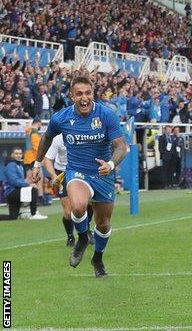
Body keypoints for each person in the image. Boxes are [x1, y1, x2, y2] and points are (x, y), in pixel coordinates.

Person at [32, 76, 128, 278]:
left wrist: (110, 164)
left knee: (103, 224)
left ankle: (97, 259)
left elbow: (121, 146)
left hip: (102, 175)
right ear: (71, 96)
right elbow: (46, 139)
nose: (84, 98)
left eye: (88, 93)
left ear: (92, 94)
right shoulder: (61, 118)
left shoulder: (106, 115)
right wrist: (37, 165)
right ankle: (83, 237)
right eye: (79, 94)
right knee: (77, 206)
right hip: (77, 172)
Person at [43, 134, 94, 246]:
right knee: (68, 211)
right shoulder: (58, 139)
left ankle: (87, 229)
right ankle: (70, 236)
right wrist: (53, 176)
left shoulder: (82, 134)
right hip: (62, 173)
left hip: (80, 171)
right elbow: (47, 159)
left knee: (89, 203)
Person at [0, 147, 47, 220]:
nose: (18, 155)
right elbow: (14, 181)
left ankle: (25, 214)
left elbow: (19, 180)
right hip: (12, 192)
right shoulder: (11, 164)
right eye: (16, 153)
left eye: (20, 153)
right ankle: (33, 214)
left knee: (13, 217)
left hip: (15, 192)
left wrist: (28, 183)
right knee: (33, 190)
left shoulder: (18, 164)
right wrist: (28, 185)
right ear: (12, 154)